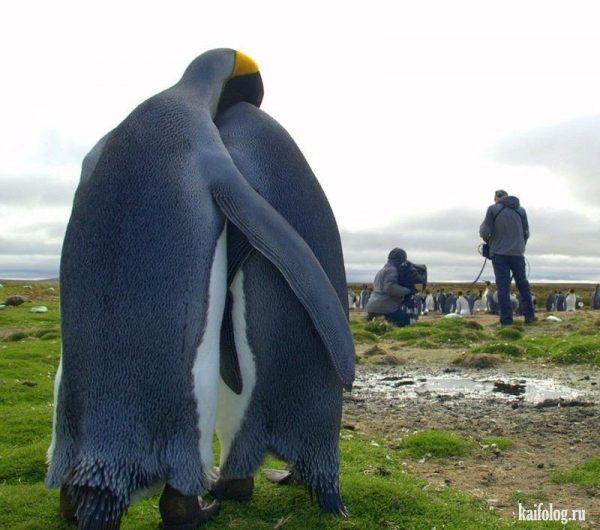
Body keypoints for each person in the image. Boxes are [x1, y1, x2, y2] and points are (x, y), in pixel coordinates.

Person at [479, 189, 535, 325]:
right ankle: (530, 316)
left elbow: (484, 230)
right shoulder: (521, 210)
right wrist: (520, 245)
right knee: (523, 284)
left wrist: (490, 242)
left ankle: (506, 320)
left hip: (499, 253)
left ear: (496, 198)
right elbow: (526, 232)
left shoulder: (493, 209)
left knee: (503, 286)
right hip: (517, 253)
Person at [366, 248, 415, 327]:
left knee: (377, 330)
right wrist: (408, 291)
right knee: (406, 322)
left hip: (372, 306)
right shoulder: (392, 270)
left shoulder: (382, 270)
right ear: (401, 259)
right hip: (385, 307)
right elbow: (390, 288)